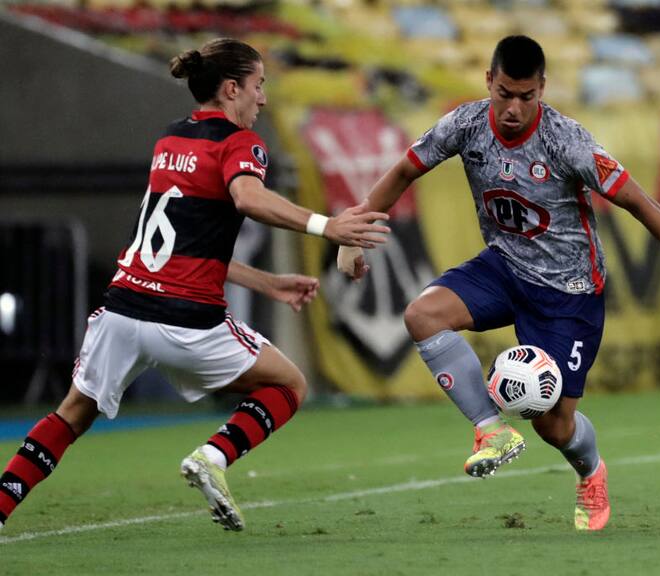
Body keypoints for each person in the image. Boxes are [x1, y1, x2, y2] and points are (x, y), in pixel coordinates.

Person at [337, 35, 660, 531]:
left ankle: (590, 472)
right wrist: (354, 234)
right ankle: (491, 431)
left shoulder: (565, 140)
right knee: (423, 315)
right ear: (489, 81)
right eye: (504, 93)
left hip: (569, 293)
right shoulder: (465, 124)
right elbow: (404, 169)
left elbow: (637, 200)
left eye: (526, 97)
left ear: (542, 90)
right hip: (504, 267)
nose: (513, 108)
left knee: (554, 425)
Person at [0, 38, 390, 533]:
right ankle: (213, 456)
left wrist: (266, 282)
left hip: (123, 308)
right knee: (288, 384)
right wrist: (326, 225)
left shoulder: (171, 140)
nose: (262, 98)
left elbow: (179, 243)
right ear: (232, 89)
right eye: (258, 85)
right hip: (186, 321)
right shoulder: (240, 142)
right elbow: (248, 198)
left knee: (71, 414)